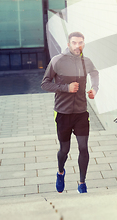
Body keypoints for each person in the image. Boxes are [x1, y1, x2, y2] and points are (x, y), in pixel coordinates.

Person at [41, 31, 99, 194]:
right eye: (74, 42)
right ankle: (60, 172)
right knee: (64, 150)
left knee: (83, 148)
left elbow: (95, 73)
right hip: (63, 113)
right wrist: (66, 88)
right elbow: (45, 84)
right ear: (68, 44)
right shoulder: (57, 61)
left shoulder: (86, 61)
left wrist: (94, 88)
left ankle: (82, 183)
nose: (77, 45)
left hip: (81, 113)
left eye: (80, 42)